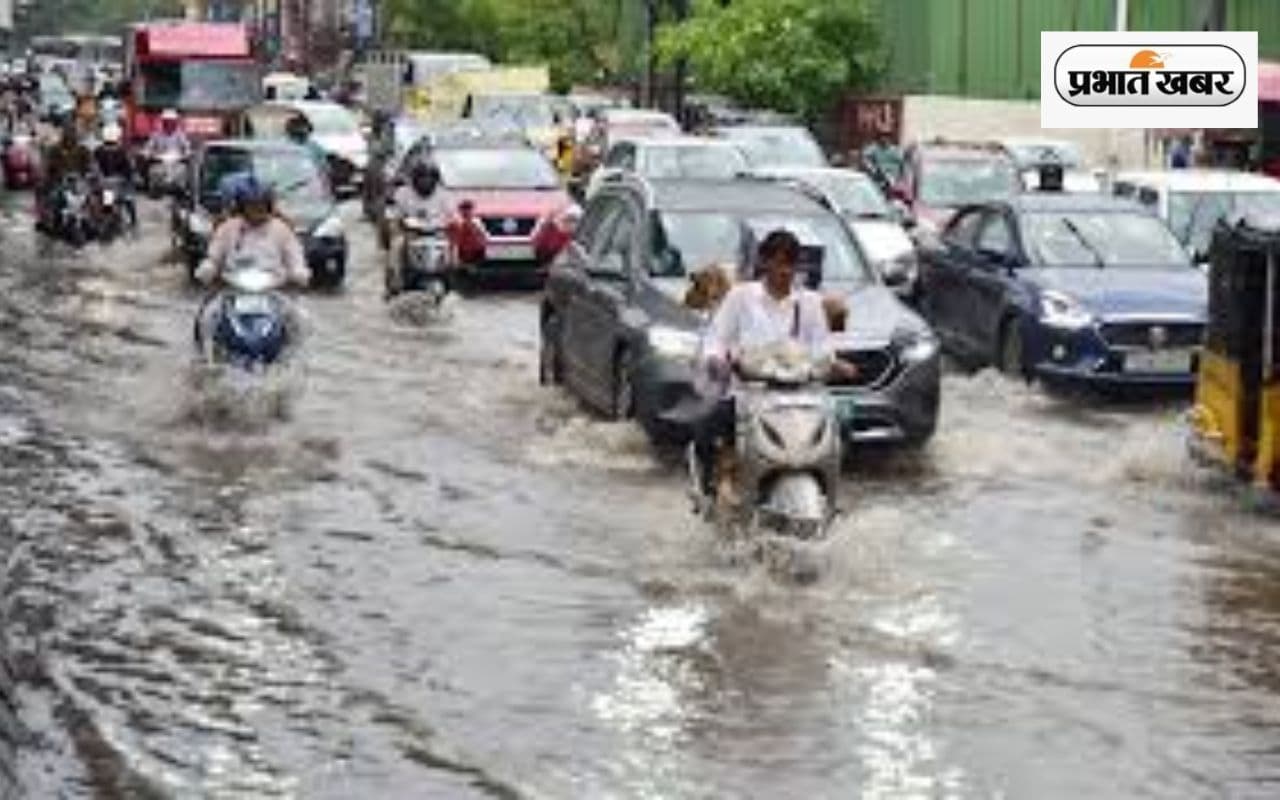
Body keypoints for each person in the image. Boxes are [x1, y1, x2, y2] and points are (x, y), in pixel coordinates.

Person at [691, 229, 857, 496]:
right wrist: (716, 360)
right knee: (706, 425)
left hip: (801, 397)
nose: (784, 271)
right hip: (748, 394)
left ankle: (830, 494)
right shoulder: (741, 297)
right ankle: (709, 490)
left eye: (790, 263)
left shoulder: (811, 303)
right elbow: (717, 338)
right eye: (778, 262)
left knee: (844, 423)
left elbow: (823, 348)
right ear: (764, 262)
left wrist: (834, 365)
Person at [194, 177, 311, 356]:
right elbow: (214, 255)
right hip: (233, 291)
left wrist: (298, 271)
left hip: (273, 292)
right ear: (242, 206)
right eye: (252, 205)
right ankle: (204, 357)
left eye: (261, 205)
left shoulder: (281, 230)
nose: (257, 209)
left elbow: (294, 255)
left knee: (301, 319)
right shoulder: (228, 228)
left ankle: (298, 359)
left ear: (269, 205)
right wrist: (208, 267)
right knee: (207, 317)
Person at [385, 161, 454, 297]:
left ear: (435, 179)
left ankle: (451, 280)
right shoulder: (403, 193)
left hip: (437, 235)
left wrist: (450, 224)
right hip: (410, 234)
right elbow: (393, 214)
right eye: (422, 178)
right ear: (415, 179)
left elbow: (451, 215)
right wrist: (396, 224)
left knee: (452, 249)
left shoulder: (444, 195)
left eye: (429, 178)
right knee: (396, 245)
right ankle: (394, 282)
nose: (426, 181)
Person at [37, 115, 96, 231]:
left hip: (79, 183)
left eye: (73, 133)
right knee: (53, 198)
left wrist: (92, 174)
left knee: (92, 198)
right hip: (60, 183)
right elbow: (47, 166)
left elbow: (91, 165)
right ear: (63, 134)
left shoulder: (83, 149)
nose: (70, 136)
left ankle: (93, 221)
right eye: (68, 133)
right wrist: (47, 175)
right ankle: (50, 220)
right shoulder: (54, 149)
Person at [93, 122, 137, 227]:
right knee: (126, 198)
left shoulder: (101, 150)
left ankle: (131, 219)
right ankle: (131, 219)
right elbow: (129, 169)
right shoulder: (118, 151)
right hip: (111, 183)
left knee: (126, 197)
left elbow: (128, 169)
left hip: (114, 182)